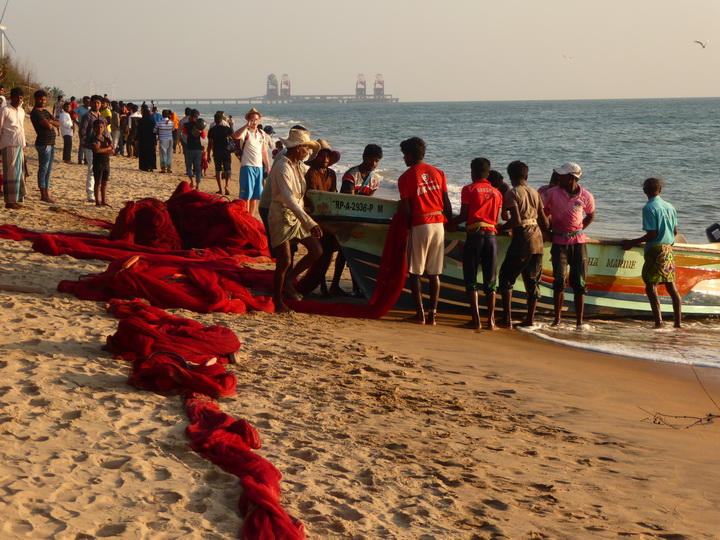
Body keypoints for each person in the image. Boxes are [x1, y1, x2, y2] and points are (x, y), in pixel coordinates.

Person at [398, 137, 452, 325]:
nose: (404, 159)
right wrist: (450, 223)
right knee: (434, 272)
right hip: (439, 224)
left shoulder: (405, 177)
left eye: (404, 155)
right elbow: (447, 204)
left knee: (415, 271)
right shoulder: (438, 172)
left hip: (421, 224)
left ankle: (419, 315)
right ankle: (432, 315)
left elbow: (406, 209)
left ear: (411, 155)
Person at [268, 127, 322, 313]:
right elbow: (289, 199)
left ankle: (288, 281)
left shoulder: (297, 164)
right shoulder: (282, 167)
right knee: (284, 260)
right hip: (281, 215)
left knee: (316, 250)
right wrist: (310, 222)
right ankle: (277, 301)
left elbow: (313, 159)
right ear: (297, 148)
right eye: (305, 148)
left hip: (296, 214)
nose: (307, 151)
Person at [447, 158, 503, 330]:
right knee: (490, 280)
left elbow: (464, 215)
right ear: (488, 173)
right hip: (492, 238)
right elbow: (498, 219)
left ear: (472, 172)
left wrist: (451, 224)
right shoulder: (497, 193)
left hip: (475, 237)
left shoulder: (469, 189)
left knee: (471, 278)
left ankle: (476, 320)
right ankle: (491, 321)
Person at [496, 161, 550, 328]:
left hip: (523, 239)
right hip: (538, 239)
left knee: (506, 278)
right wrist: (550, 234)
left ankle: (506, 319)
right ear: (526, 176)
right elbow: (543, 220)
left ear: (510, 176)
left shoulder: (512, 193)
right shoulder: (535, 193)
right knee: (533, 281)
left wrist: (500, 229)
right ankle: (530, 320)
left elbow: (516, 220)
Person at [622, 178, 682, 328]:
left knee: (651, 285)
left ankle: (658, 322)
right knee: (671, 287)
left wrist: (632, 242)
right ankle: (678, 323)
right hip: (668, 249)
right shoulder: (670, 207)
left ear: (644, 191)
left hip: (655, 249)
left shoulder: (649, 208)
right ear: (660, 190)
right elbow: (675, 231)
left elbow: (652, 234)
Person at [542, 162, 595, 328]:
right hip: (558, 242)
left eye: (562, 175)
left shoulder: (586, 196)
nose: (559, 177)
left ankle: (579, 321)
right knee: (559, 280)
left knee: (579, 282)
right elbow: (540, 211)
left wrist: (579, 229)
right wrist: (546, 231)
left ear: (572, 178)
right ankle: (557, 320)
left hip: (578, 242)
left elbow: (590, 215)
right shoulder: (552, 193)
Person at [305, 139, 341, 296]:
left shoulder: (331, 174)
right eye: (321, 156)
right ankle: (320, 282)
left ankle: (328, 283)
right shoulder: (311, 173)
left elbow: (334, 193)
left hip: (329, 216)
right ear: (315, 157)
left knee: (332, 250)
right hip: (315, 216)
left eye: (327, 156)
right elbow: (312, 195)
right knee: (321, 250)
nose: (325, 159)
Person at [234, 107, 269, 217]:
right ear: (248, 119)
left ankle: (251, 216)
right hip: (247, 166)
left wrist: (268, 166)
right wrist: (247, 125)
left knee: (255, 196)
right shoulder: (246, 132)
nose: (254, 121)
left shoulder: (262, 133)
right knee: (246, 195)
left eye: (256, 119)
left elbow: (264, 151)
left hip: (258, 167)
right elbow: (236, 136)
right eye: (252, 119)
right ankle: (245, 216)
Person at [30, 89, 60, 203]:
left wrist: (51, 122)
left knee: (49, 169)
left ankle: (47, 193)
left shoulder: (45, 112)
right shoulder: (36, 113)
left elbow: (58, 123)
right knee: (43, 169)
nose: (43, 101)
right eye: (41, 99)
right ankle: (43, 194)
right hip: (43, 143)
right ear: (36, 99)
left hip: (51, 143)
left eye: (44, 99)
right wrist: (51, 122)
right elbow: (48, 126)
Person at [0, 87, 27, 209]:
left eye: (21, 98)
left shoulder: (21, 111)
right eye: (17, 97)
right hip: (8, 143)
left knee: (19, 172)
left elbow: (21, 128)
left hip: (19, 144)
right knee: (10, 172)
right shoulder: (4, 110)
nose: (19, 100)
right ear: (11, 97)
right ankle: (9, 201)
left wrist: (24, 143)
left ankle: (16, 198)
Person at [79, 95, 107, 202]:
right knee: (91, 169)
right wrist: (88, 144)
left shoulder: (101, 118)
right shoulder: (87, 116)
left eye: (98, 103)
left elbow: (105, 133)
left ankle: (99, 194)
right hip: (91, 147)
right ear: (91, 104)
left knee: (100, 170)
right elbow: (82, 132)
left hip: (101, 148)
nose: (96, 105)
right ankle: (90, 194)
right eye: (94, 103)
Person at [87, 119, 114, 206]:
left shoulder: (106, 139)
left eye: (102, 127)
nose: (100, 129)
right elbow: (96, 150)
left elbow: (113, 151)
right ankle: (97, 201)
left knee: (105, 182)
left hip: (106, 162)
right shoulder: (93, 139)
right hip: (97, 162)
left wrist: (102, 150)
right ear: (94, 128)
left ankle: (104, 200)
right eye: (98, 127)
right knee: (97, 182)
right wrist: (107, 149)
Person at [207, 111, 234, 195]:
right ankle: (227, 185)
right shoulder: (226, 129)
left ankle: (220, 189)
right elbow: (232, 137)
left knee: (218, 170)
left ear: (215, 120)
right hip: (226, 150)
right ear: (221, 120)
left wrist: (208, 154)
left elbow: (210, 143)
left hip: (217, 151)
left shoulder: (212, 130)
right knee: (228, 169)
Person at [182, 110, 205, 189]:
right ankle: (198, 185)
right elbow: (204, 136)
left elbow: (185, 133)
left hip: (189, 148)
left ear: (190, 117)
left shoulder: (186, 125)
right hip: (198, 148)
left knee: (189, 166)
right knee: (198, 167)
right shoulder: (200, 125)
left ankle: (191, 181)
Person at [137, 105, 157, 172]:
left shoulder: (140, 121)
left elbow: (138, 131)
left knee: (143, 153)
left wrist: (137, 139)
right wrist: (155, 140)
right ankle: (151, 166)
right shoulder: (152, 122)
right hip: (150, 139)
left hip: (142, 139)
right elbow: (154, 132)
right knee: (151, 153)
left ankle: (144, 166)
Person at [74, 96, 91, 164]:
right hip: (82, 128)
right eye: (86, 101)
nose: (88, 102)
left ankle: (86, 159)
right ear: (83, 102)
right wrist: (76, 122)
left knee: (88, 144)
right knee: (82, 144)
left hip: (89, 128)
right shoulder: (80, 108)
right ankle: (80, 159)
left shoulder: (90, 109)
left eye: (89, 101)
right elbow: (72, 113)